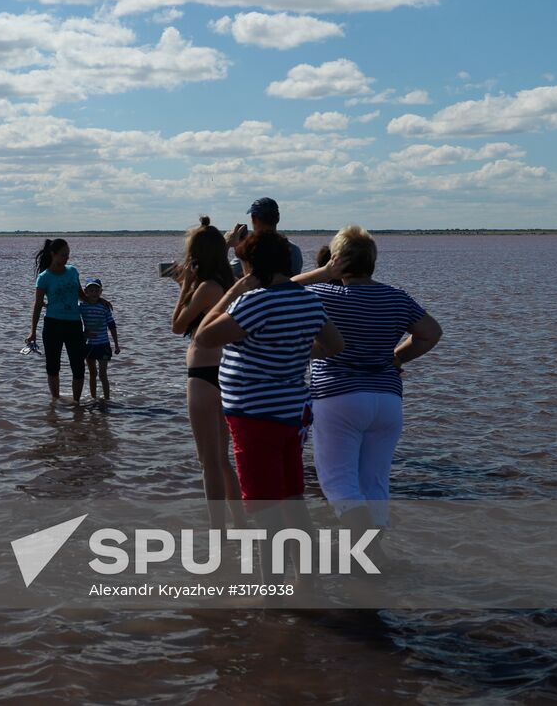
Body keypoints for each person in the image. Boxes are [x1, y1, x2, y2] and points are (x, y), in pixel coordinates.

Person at [195, 230, 343, 581]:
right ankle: (307, 581)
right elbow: (335, 345)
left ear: (252, 265)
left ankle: (272, 592)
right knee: (292, 497)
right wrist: (290, 349)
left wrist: (232, 292)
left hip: (254, 416)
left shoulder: (255, 301)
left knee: (265, 509)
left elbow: (203, 337)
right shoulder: (308, 301)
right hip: (291, 413)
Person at [293, 226, 442, 537]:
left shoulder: (322, 294)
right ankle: (372, 557)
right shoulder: (396, 297)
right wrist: (398, 357)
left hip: (338, 396)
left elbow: (278, 291)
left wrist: (322, 273)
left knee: (338, 483)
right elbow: (430, 333)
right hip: (387, 400)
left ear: (337, 260)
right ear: (372, 261)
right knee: (374, 483)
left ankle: (368, 552)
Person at [169, 216, 241, 529]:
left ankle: (219, 533)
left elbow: (177, 326)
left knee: (208, 462)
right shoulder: (231, 283)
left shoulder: (205, 288)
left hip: (202, 374)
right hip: (228, 372)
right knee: (224, 460)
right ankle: (241, 525)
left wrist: (184, 286)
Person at [25, 238, 86, 406]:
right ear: (53, 254)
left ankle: (76, 404)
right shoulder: (44, 278)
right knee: (53, 367)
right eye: (63, 255)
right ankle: (55, 402)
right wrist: (32, 331)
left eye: (68, 254)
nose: (67, 258)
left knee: (78, 367)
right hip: (53, 325)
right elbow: (38, 305)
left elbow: (81, 295)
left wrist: (99, 301)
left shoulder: (73, 271)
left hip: (74, 324)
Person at [226, 197, 303, 278]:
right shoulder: (294, 250)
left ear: (254, 219)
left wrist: (227, 245)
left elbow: (225, 274)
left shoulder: (250, 249)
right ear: (278, 218)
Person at [79, 278, 120, 402]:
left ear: (100, 292)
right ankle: (93, 398)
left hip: (103, 345)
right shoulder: (82, 306)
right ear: (86, 292)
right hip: (89, 345)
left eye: (97, 290)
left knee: (103, 374)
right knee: (92, 373)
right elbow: (72, 320)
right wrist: (83, 334)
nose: (94, 293)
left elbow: (111, 325)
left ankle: (107, 400)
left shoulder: (104, 307)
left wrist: (116, 344)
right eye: (91, 290)